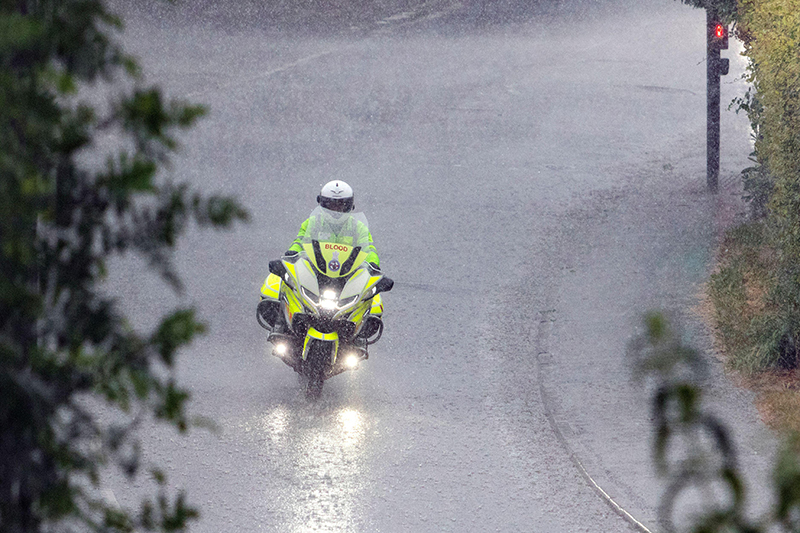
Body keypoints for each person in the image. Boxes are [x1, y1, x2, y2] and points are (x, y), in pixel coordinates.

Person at [285, 180, 380, 268]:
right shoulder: (312, 223)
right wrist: (292, 253)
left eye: (341, 205)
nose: (336, 210)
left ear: (351, 205)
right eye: (331, 205)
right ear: (321, 203)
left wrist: (373, 264)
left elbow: (368, 249)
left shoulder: (359, 227)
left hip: (349, 275)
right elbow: (300, 242)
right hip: (314, 272)